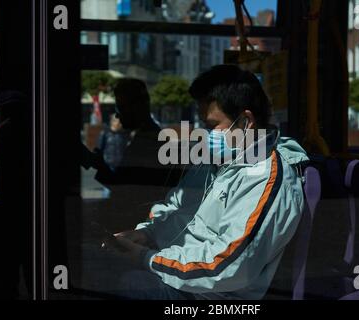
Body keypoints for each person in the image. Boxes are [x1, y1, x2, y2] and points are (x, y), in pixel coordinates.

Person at [98, 65, 309, 300]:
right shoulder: (216, 161)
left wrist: (146, 258)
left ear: (246, 121)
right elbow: (176, 208)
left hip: (216, 295)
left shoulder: (265, 177)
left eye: (212, 125)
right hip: (180, 272)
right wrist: (148, 235)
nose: (206, 134)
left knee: (126, 283)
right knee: (100, 262)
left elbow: (228, 266)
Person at [83, 78, 181, 231]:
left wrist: (98, 165)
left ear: (137, 107)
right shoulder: (145, 137)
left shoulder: (149, 142)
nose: (117, 115)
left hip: (136, 230)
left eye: (121, 107)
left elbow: (128, 191)